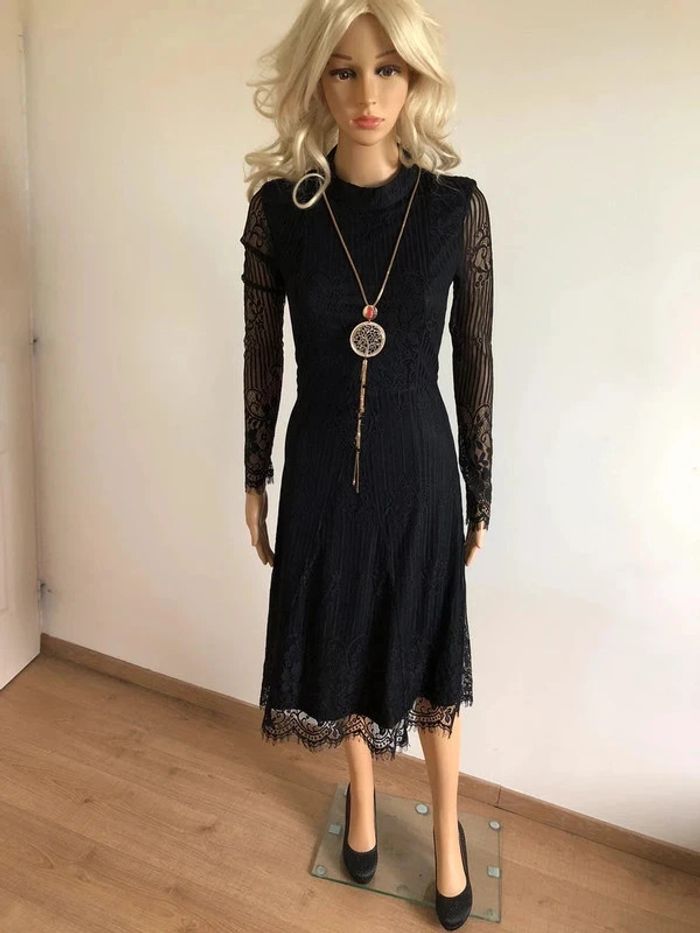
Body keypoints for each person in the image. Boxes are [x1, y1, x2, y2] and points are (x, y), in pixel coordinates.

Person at [240, 2, 493, 927]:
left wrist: (481, 484)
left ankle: (450, 831)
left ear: (415, 77)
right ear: (317, 81)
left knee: (429, 654)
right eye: (344, 70)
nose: (367, 92)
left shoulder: (455, 208)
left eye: (387, 68)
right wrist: (255, 472)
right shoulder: (283, 213)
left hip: (419, 473)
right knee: (343, 633)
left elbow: (475, 357)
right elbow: (261, 353)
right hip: (318, 470)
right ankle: (362, 796)